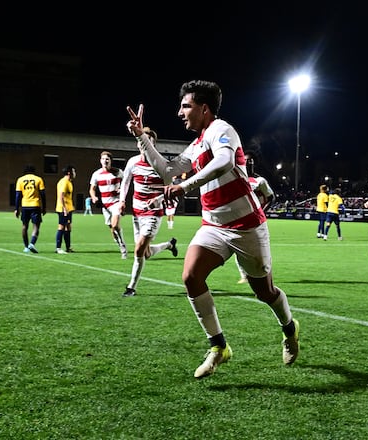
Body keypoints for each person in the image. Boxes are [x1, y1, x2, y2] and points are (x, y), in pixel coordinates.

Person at [126, 79, 299, 379]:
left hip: (246, 226)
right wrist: (142, 137)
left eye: (186, 106)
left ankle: (289, 328)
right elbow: (167, 170)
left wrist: (184, 187)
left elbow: (224, 162)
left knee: (265, 292)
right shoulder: (196, 144)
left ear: (204, 108)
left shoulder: (222, 130)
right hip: (214, 226)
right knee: (191, 276)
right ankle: (219, 346)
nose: (180, 112)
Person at [118, 127, 179, 297]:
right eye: (142, 141)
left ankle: (131, 287)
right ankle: (169, 245)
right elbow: (125, 182)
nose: (145, 145)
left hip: (153, 214)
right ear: (138, 144)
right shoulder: (133, 162)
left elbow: (171, 191)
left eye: (149, 142)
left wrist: (157, 200)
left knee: (138, 250)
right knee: (145, 253)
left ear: (153, 145)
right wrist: (122, 201)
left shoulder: (162, 165)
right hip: (137, 213)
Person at [236, 154, 275, 283]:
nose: (247, 163)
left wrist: (262, 212)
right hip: (240, 219)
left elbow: (271, 197)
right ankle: (244, 275)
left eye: (250, 161)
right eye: (245, 160)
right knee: (238, 247)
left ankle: (265, 275)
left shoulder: (259, 181)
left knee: (261, 249)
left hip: (257, 221)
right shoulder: (237, 179)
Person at [89, 151, 128, 259]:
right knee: (112, 230)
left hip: (116, 203)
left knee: (115, 225)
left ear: (110, 161)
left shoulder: (118, 172)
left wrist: (122, 189)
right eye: (103, 159)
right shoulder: (96, 174)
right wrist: (94, 197)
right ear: (100, 161)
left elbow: (127, 181)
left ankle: (123, 248)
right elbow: (92, 189)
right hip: (105, 206)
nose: (105, 161)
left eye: (107, 159)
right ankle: (119, 244)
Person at [14, 165, 46, 253]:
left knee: (24, 226)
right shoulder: (38, 179)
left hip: (24, 205)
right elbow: (43, 194)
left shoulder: (20, 180)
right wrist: (44, 207)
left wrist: (16, 208)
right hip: (35, 205)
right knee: (36, 226)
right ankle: (32, 243)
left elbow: (18, 195)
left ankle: (26, 247)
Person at [55, 165, 76, 254]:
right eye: (74, 171)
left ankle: (68, 247)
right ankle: (58, 248)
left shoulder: (69, 182)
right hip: (63, 209)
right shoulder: (64, 182)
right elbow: (61, 195)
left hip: (68, 208)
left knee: (68, 227)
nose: (75, 173)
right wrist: (64, 208)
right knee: (61, 227)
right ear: (69, 173)